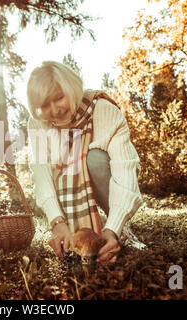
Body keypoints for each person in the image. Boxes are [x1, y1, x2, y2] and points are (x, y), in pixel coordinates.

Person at [26, 61, 145, 264]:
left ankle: (121, 232)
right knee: (59, 167)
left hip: (106, 172)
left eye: (59, 98)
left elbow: (125, 172)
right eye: (45, 105)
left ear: (71, 90)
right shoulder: (37, 124)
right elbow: (42, 174)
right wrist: (57, 222)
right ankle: (76, 236)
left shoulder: (105, 111)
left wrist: (112, 230)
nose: (55, 110)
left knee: (94, 159)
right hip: (68, 182)